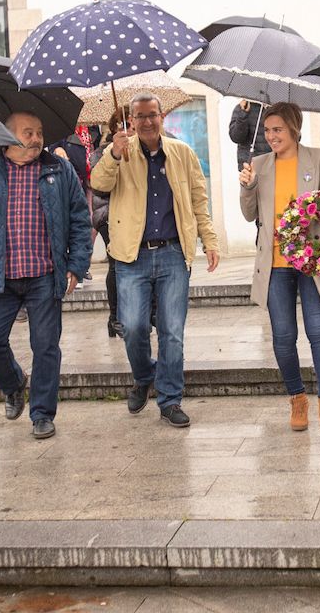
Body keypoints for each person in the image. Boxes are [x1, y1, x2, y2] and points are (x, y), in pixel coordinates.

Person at [0, 112, 92, 440]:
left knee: (46, 345)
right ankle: (14, 384)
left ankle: (42, 413)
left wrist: (77, 265)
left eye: (39, 131)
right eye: (28, 132)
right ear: (7, 136)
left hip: (45, 273)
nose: (35, 139)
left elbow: (79, 218)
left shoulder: (58, 169)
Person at [91, 91, 220, 428]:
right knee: (132, 327)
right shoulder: (118, 152)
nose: (147, 121)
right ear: (130, 120)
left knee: (171, 331)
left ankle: (170, 399)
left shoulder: (182, 152)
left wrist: (210, 240)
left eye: (152, 115)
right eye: (140, 116)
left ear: (162, 117)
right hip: (131, 257)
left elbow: (198, 199)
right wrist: (114, 156)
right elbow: (98, 185)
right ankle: (143, 375)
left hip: (173, 253)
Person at [239, 103, 320, 434]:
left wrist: (305, 212)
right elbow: (248, 214)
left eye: (278, 130)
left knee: (319, 332)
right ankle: (297, 399)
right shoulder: (258, 164)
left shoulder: (318, 158)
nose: (272, 137)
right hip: (275, 264)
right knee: (283, 337)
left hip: (312, 260)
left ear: (294, 129)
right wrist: (248, 185)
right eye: (268, 130)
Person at [91, 109, 126, 338]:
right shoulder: (101, 153)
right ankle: (115, 317)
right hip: (107, 215)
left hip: (129, 217)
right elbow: (99, 187)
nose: (129, 132)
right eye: (124, 127)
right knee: (116, 264)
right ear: (114, 130)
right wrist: (116, 158)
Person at [228, 99, 270, 171]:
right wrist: (243, 113)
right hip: (249, 164)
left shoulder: (275, 110)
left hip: (270, 164)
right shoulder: (242, 107)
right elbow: (236, 137)